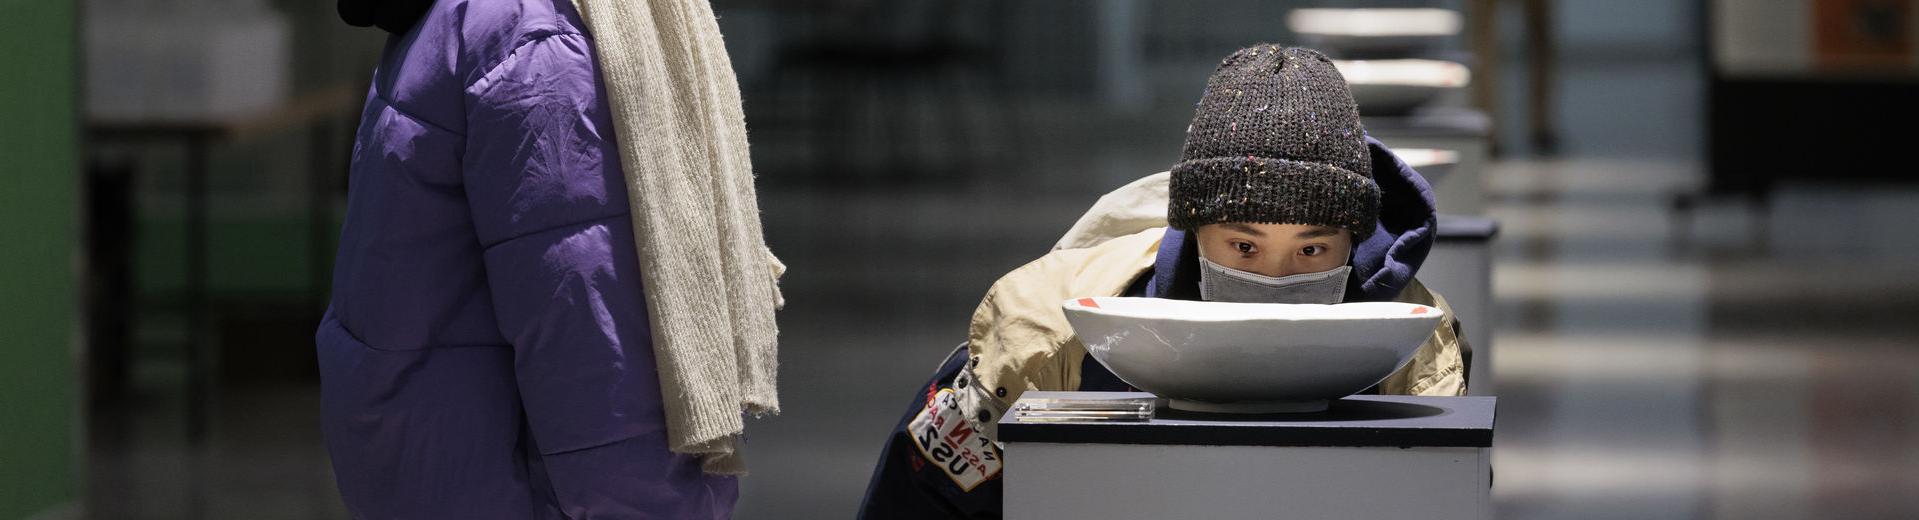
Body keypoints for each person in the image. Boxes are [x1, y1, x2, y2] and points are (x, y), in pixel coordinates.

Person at [855, 45, 1470, 518]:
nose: (1276, 278)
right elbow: (923, 495)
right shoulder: (1047, 333)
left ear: (1353, 240)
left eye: (1312, 248)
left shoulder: (1413, 350)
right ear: (1194, 229)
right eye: (1244, 245)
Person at [317, 0, 777, 517]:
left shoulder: (474, 21)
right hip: (504, 487)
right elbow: (592, 351)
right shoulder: (539, 37)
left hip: (439, 469)